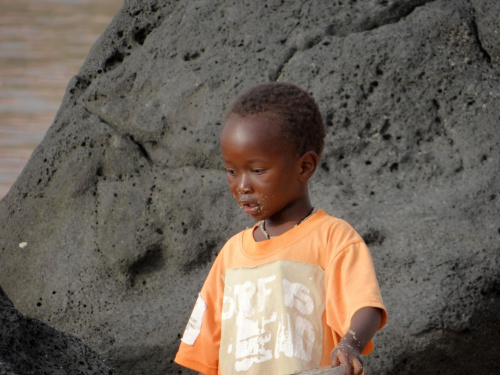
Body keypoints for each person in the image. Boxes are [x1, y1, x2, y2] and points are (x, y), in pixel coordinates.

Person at [174, 82, 387, 375]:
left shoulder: (333, 238)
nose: (242, 186)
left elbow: (366, 306)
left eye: (257, 170)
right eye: (231, 171)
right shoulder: (231, 255)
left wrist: (349, 345)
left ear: (304, 167)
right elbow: (207, 353)